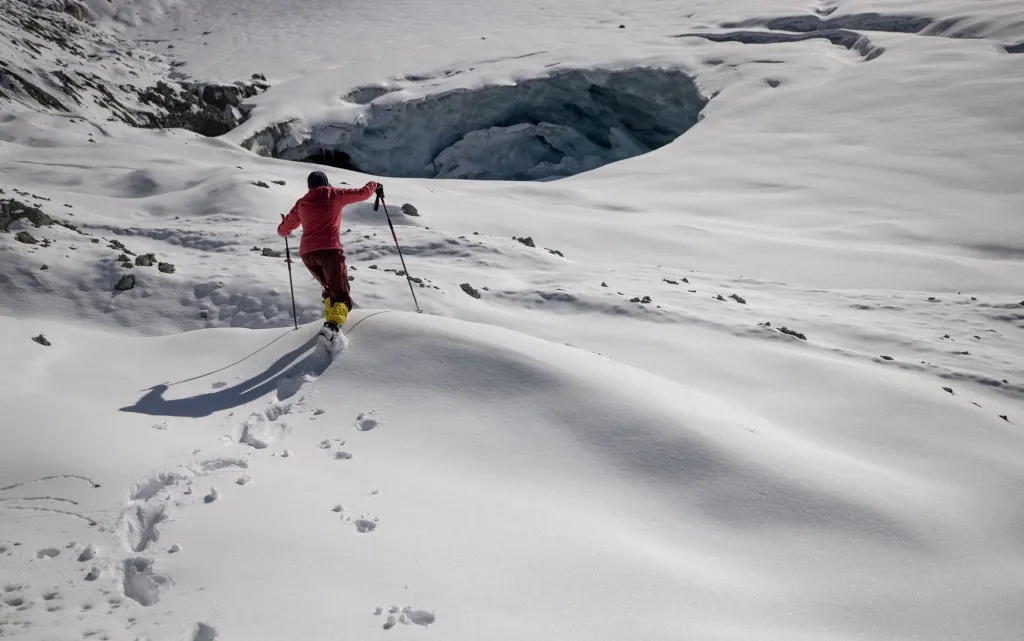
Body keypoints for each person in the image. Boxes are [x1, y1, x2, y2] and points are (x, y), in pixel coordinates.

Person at [277, 170, 381, 332]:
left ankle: (330, 324)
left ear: (309, 186)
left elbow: (283, 231)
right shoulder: (334, 194)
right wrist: (374, 185)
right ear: (326, 182)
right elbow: (363, 193)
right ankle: (333, 327)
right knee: (341, 297)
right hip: (329, 250)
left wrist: (284, 224)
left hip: (308, 254)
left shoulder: (301, 203)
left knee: (329, 291)